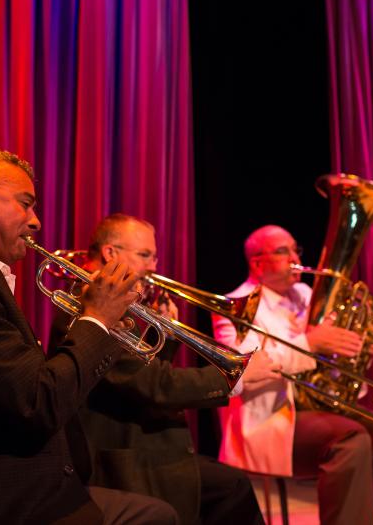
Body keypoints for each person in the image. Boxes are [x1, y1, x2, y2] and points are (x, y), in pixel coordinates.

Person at [0, 147, 179, 524]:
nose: (36, 221)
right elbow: (37, 403)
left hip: (23, 483)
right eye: (25, 204)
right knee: (156, 516)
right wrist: (96, 322)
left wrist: (104, 329)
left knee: (157, 511)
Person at [48, 213, 279, 524]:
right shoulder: (86, 307)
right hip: (122, 456)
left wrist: (165, 337)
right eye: (144, 255)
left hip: (147, 444)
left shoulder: (110, 303)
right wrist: (232, 379)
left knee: (230, 486)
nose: (154, 267)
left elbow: (138, 373)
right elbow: (153, 384)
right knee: (233, 488)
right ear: (110, 254)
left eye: (154, 257)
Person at [213, 224, 373, 525]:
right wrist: (310, 343)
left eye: (296, 249)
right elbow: (244, 372)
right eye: (284, 251)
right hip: (272, 419)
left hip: (322, 407)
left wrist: (358, 350)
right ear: (257, 262)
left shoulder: (306, 293)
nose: (295, 256)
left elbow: (332, 361)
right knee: (350, 439)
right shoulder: (234, 305)